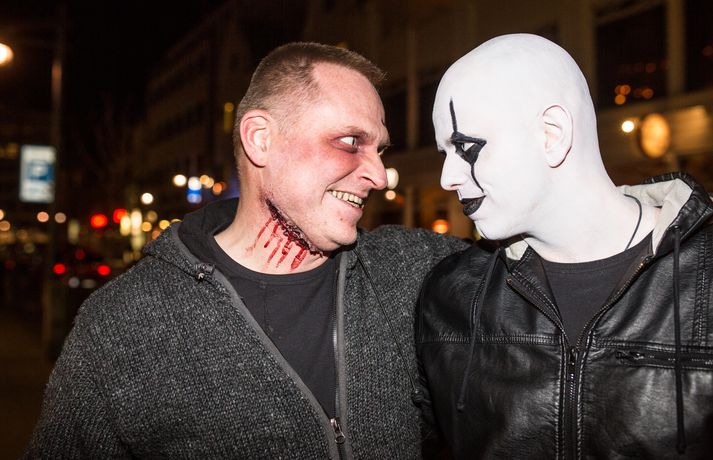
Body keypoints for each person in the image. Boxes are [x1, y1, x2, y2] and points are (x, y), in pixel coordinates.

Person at [25, 42, 468, 458]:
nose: (379, 174)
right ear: (259, 138)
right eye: (350, 142)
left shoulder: (414, 272)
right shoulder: (124, 323)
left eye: (379, 149)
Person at [416, 33, 713, 459]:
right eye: (444, 152)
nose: (448, 178)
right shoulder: (451, 295)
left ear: (551, 133)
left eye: (465, 147)